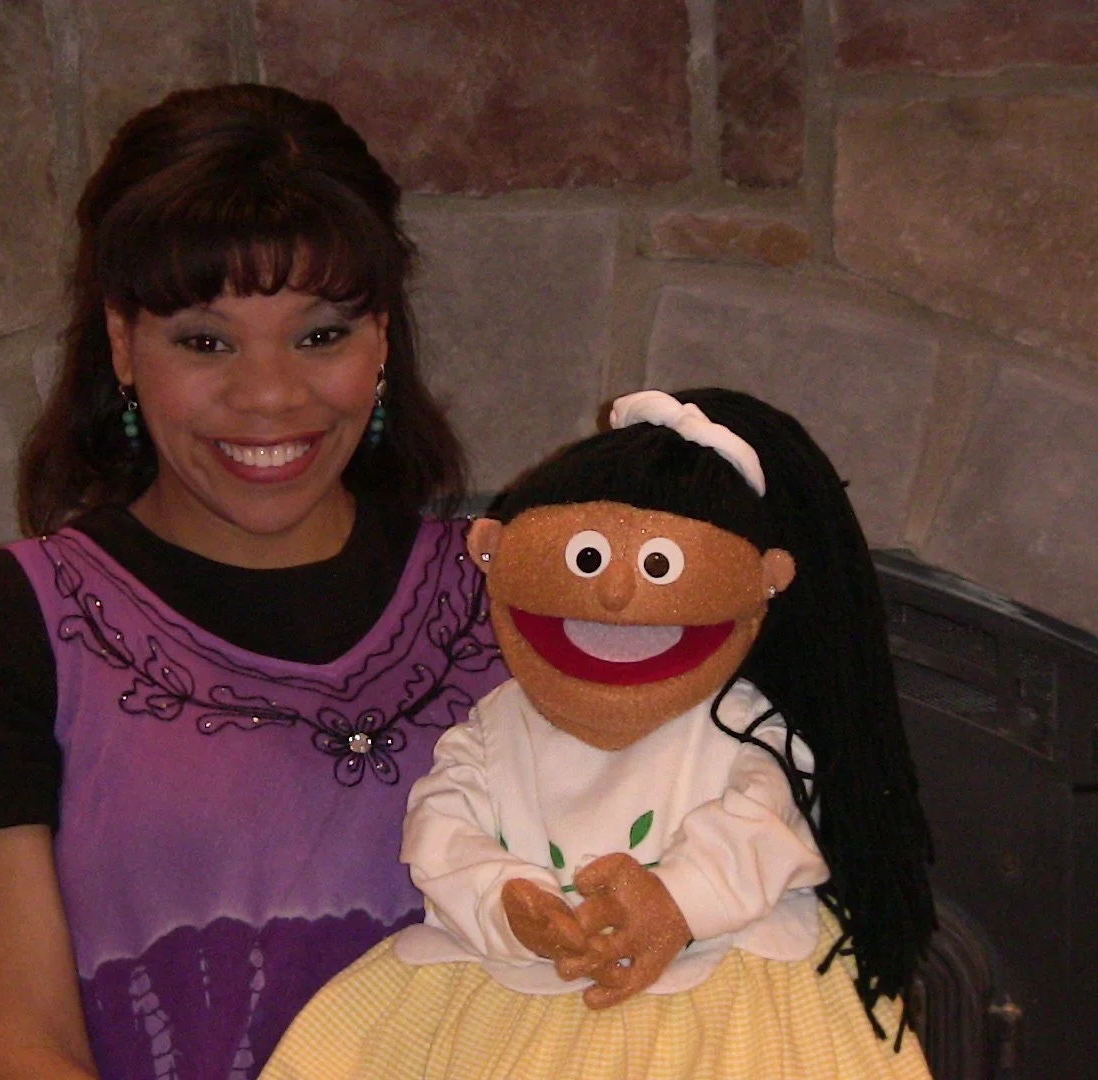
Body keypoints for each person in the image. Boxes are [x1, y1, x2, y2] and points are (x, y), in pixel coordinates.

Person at [0, 84, 506, 1080]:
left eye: (321, 335)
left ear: (382, 339)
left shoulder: (520, 598)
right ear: (123, 344)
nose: (270, 396)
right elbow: (20, 1055)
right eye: (205, 341)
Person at [264, 389, 936, 1079]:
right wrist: (507, 901)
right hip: (507, 980)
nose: (614, 596)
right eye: (588, 560)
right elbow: (443, 828)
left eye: (656, 568)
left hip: (720, 979)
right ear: (493, 553)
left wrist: (679, 899)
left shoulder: (741, 724)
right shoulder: (494, 725)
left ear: (767, 582)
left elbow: (769, 825)